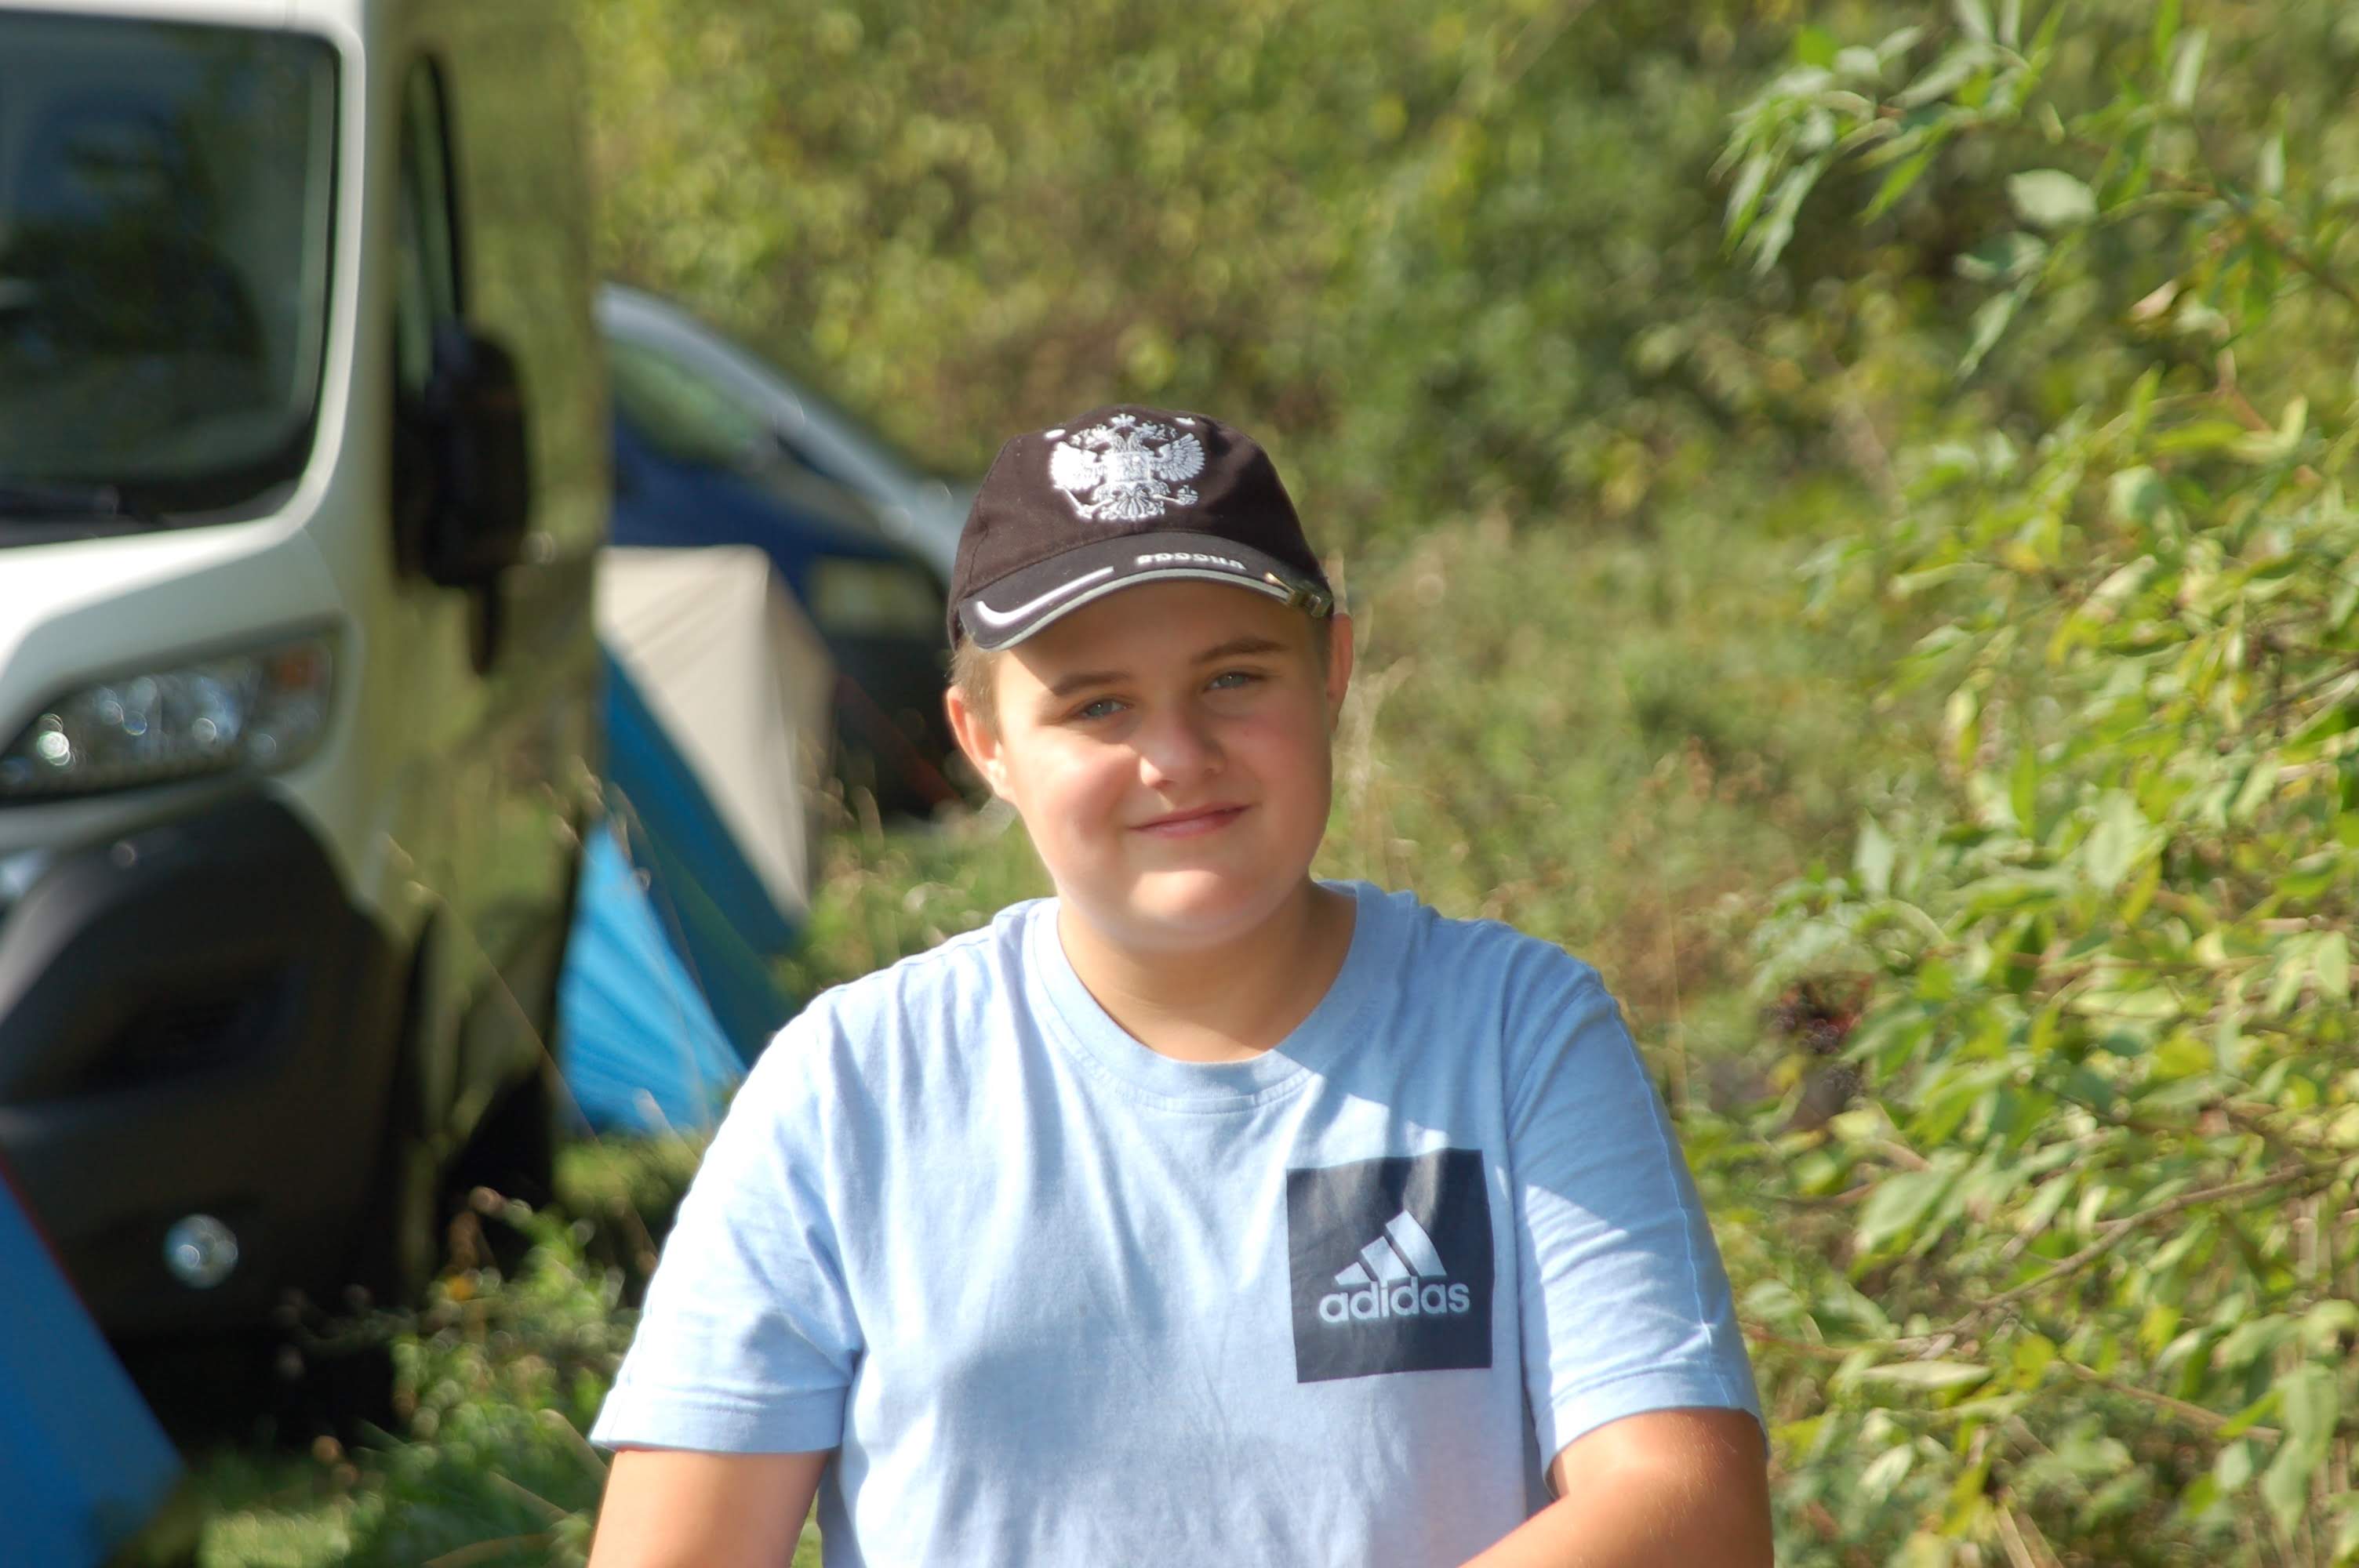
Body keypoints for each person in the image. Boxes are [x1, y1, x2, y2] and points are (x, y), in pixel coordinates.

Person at [585, 406, 1772, 1566]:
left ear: (1332, 672)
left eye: (1233, 678)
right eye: (1097, 705)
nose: (1175, 758)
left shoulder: (1513, 1033)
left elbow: (1690, 1510)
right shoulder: (852, 1086)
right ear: (985, 741)